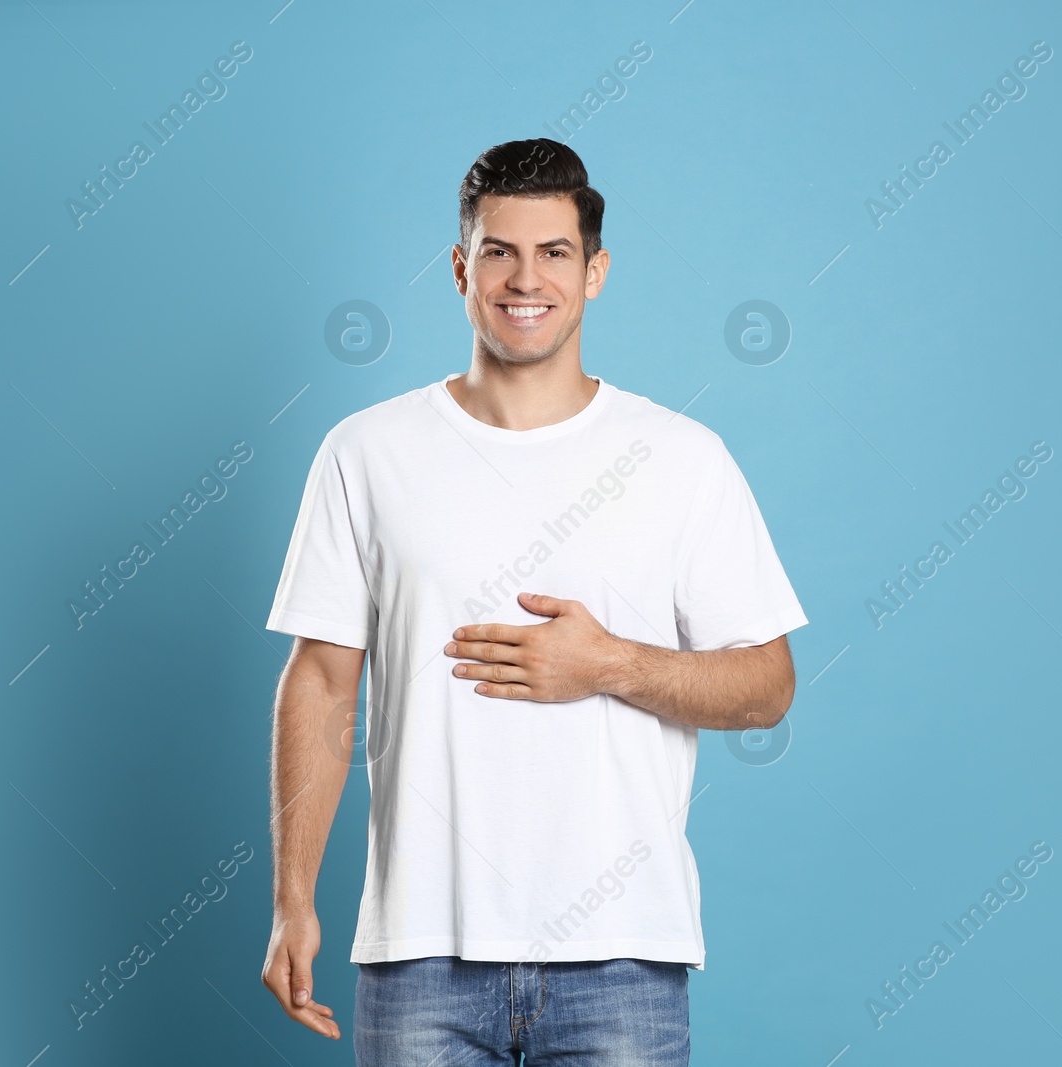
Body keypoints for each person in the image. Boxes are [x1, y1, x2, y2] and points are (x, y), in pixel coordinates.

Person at [259, 137, 807, 1065]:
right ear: (461, 268)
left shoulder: (682, 459)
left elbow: (767, 686)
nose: (526, 278)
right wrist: (293, 897)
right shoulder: (367, 452)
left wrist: (610, 664)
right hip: (419, 952)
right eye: (500, 251)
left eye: (554, 252)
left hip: (622, 959)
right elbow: (319, 682)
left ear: (594, 272)